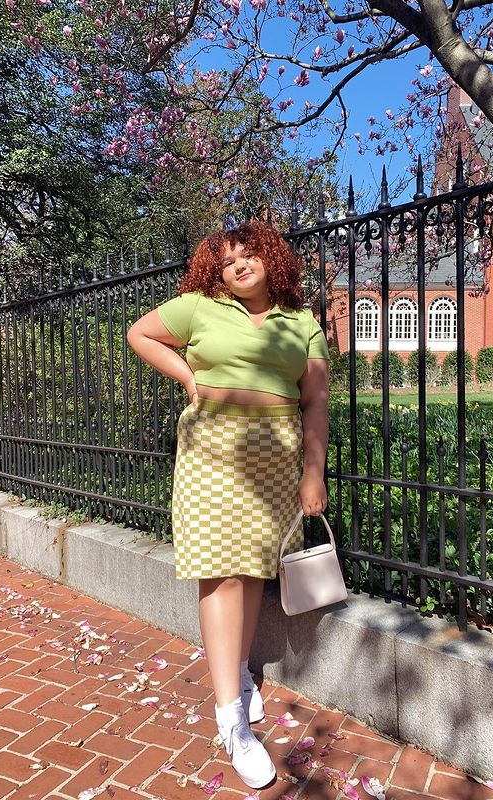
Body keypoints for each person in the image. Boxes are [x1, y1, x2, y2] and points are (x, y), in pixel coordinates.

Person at [126, 221, 329, 789]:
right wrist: (189, 378)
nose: (237, 265)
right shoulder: (198, 307)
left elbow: (314, 403)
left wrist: (314, 473)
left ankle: (238, 673)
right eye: (226, 261)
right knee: (218, 575)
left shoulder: (303, 323)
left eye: (247, 255)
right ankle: (232, 724)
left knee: (251, 573)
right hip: (211, 453)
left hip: (274, 460)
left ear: (270, 258)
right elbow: (139, 334)